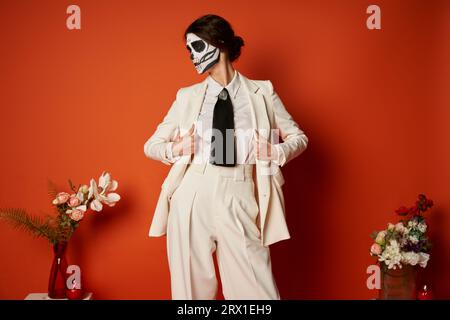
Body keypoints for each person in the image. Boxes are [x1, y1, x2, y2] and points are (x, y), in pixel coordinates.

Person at [144, 14, 308, 299]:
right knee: (190, 292)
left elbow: (299, 138)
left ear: (218, 43)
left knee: (256, 292)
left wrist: (276, 151)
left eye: (195, 47)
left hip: (240, 192)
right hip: (193, 192)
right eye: (188, 50)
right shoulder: (187, 96)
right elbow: (151, 145)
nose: (191, 57)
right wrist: (175, 149)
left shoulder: (262, 92)